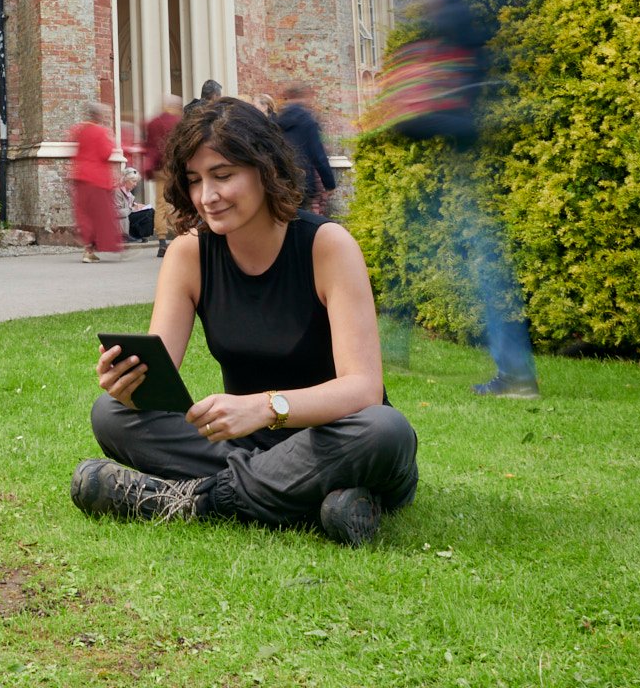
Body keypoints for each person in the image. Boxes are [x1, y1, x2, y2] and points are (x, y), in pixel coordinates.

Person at [71, 97, 418, 547]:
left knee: (384, 430)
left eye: (223, 175)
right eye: (195, 180)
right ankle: (317, 501)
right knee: (112, 415)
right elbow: (161, 379)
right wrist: (130, 384)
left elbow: (363, 389)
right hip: (247, 446)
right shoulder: (189, 254)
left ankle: (190, 501)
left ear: (264, 168)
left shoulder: (327, 246)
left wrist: (264, 407)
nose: (206, 197)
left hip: (333, 435)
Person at [372, 0, 540, 399]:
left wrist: (409, 117)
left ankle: (515, 374)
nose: (415, 3)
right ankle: (394, 344)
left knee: (483, 269)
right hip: (452, 157)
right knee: (430, 253)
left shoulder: (451, 24)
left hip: (459, 161)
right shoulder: (454, 25)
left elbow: (452, 108)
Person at [68, 102, 122, 263]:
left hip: (81, 176)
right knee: (101, 215)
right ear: (98, 116)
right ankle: (98, 248)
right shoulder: (100, 132)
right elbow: (106, 153)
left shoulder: (80, 130)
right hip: (97, 178)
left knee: (85, 214)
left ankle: (88, 249)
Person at [277, 83, 337, 216]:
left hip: (282, 179)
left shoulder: (277, 121)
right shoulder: (307, 121)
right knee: (302, 219)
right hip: (303, 180)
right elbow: (318, 155)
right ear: (302, 97)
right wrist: (329, 184)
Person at [143, 94, 183, 258]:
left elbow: (148, 145)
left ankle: (161, 241)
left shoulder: (154, 122)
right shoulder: (178, 123)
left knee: (160, 203)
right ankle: (180, 236)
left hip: (159, 168)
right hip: (174, 167)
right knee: (177, 201)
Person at [116, 165, 154, 243]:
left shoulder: (129, 194)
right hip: (119, 223)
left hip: (127, 219)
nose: (135, 184)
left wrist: (138, 206)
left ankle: (139, 235)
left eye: (136, 182)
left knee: (150, 211)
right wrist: (133, 208)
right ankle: (127, 236)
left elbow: (130, 206)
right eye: (133, 181)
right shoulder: (117, 192)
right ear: (125, 180)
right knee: (148, 212)